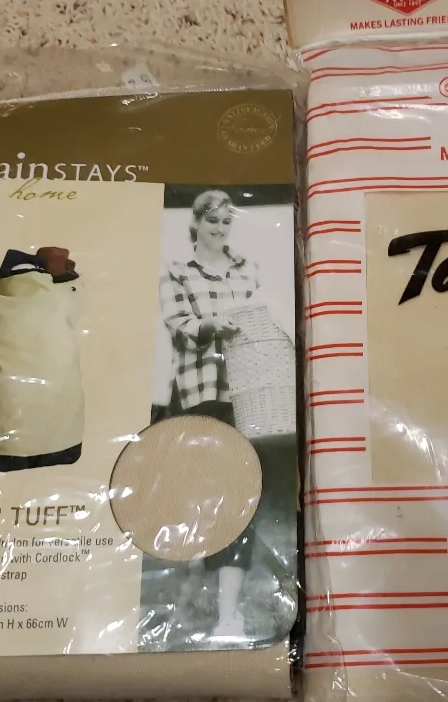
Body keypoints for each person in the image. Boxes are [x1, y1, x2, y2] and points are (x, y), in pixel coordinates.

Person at [158, 190, 261, 638]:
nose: (219, 229)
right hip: (200, 395)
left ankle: (227, 614)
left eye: (225, 222)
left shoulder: (248, 269)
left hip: (246, 394)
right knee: (205, 493)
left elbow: (261, 319)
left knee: (239, 495)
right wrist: (211, 326)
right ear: (196, 223)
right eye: (212, 221)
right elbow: (180, 328)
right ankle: (195, 580)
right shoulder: (176, 272)